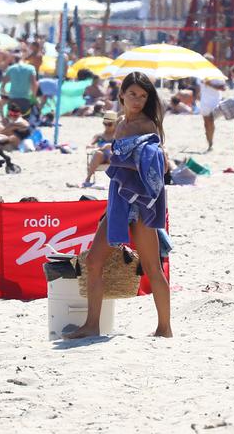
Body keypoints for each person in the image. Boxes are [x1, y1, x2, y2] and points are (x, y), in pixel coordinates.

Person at [64, 71, 172, 339]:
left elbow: (158, 167)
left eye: (143, 96)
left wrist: (119, 162)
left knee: (152, 267)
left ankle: (165, 329)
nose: (137, 100)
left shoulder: (148, 126)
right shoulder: (121, 125)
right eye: (133, 94)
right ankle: (91, 325)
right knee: (93, 260)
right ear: (121, 94)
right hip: (119, 201)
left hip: (141, 203)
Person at [81, 110, 117, 187]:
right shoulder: (99, 136)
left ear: (115, 124)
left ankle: (116, 181)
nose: (107, 126)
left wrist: (110, 146)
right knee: (98, 154)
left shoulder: (118, 136)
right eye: (105, 124)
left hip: (112, 156)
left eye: (109, 124)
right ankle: (87, 179)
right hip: (101, 156)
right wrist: (98, 147)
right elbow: (89, 145)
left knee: (111, 154)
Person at [199, 54, 225, 151]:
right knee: (206, 124)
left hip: (214, 101)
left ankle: (211, 142)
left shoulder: (217, 73)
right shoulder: (201, 73)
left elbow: (223, 87)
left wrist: (210, 84)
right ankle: (209, 142)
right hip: (204, 101)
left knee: (210, 122)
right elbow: (200, 86)